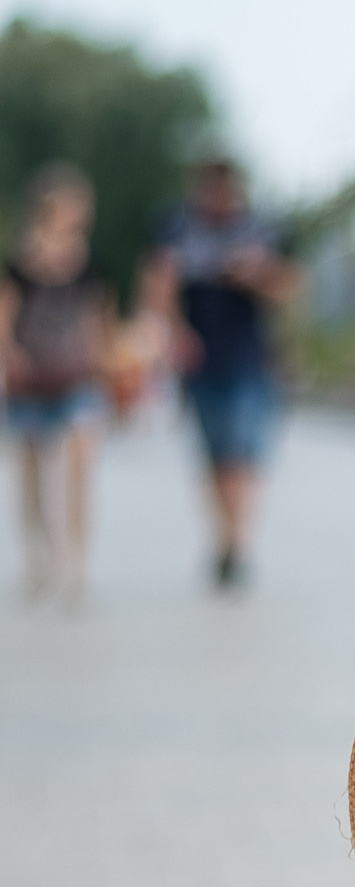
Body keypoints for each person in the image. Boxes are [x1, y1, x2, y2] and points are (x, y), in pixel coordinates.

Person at [144, 157, 296, 588]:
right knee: (214, 456)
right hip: (199, 358)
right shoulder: (177, 228)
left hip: (249, 357)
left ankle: (236, 543)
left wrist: (254, 274)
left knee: (241, 453)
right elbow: (158, 281)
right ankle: (226, 537)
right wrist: (174, 332)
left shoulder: (260, 229)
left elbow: (288, 287)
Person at [2, 165, 114, 607]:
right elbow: (4, 321)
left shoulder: (91, 264)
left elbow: (101, 320)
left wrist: (111, 367)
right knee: (30, 475)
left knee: (79, 466)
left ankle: (75, 561)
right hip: (30, 381)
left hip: (78, 378)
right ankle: (39, 553)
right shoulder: (20, 263)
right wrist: (12, 358)